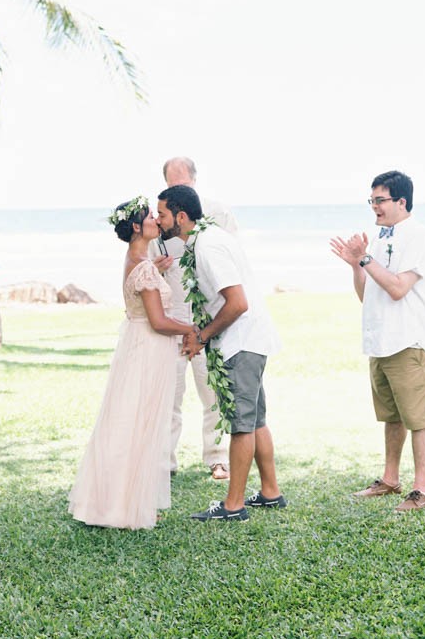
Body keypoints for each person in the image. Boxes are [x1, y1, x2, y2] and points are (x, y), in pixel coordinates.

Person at [157, 185, 285, 522]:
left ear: (181, 216)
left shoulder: (208, 246)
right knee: (255, 419)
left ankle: (233, 506)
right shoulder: (206, 238)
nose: (158, 221)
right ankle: (271, 492)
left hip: (240, 342)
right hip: (249, 340)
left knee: (241, 424)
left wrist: (201, 335)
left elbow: (237, 303)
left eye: (162, 215)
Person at [68, 196, 195, 529]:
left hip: (139, 345)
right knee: (138, 422)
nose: (157, 220)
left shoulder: (138, 260)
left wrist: (155, 271)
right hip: (149, 348)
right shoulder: (142, 266)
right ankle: (121, 506)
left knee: (130, 420)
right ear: (138, 226)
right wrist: (193, 329)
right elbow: (158, 321)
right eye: (152, 217)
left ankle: (117, 499)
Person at [330, 170, 425, 512]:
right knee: (392, 416)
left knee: (419, 417)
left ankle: (421, 489)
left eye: (380, 200)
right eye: (371, 200)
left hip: (408, 341)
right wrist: (356, 267)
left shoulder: (418, 236)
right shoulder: (379, 238)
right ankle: (390, 479)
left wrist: (365, 258)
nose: (374, 206)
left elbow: (399, 288)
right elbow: (367, 295)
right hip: (380, 341)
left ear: (401, 201)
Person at [150, 156, 237, 480]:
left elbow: (232, 258)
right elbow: (142, 272)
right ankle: (164, 461)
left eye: (182, 184)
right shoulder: (158, 220)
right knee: (168, 395)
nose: (177, 190)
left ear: (194, 181)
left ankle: (217, 457)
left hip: (206, 319)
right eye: (172, 185)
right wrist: (153, 269)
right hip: (171, 320)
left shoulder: (217, 213)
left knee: (212, 392)